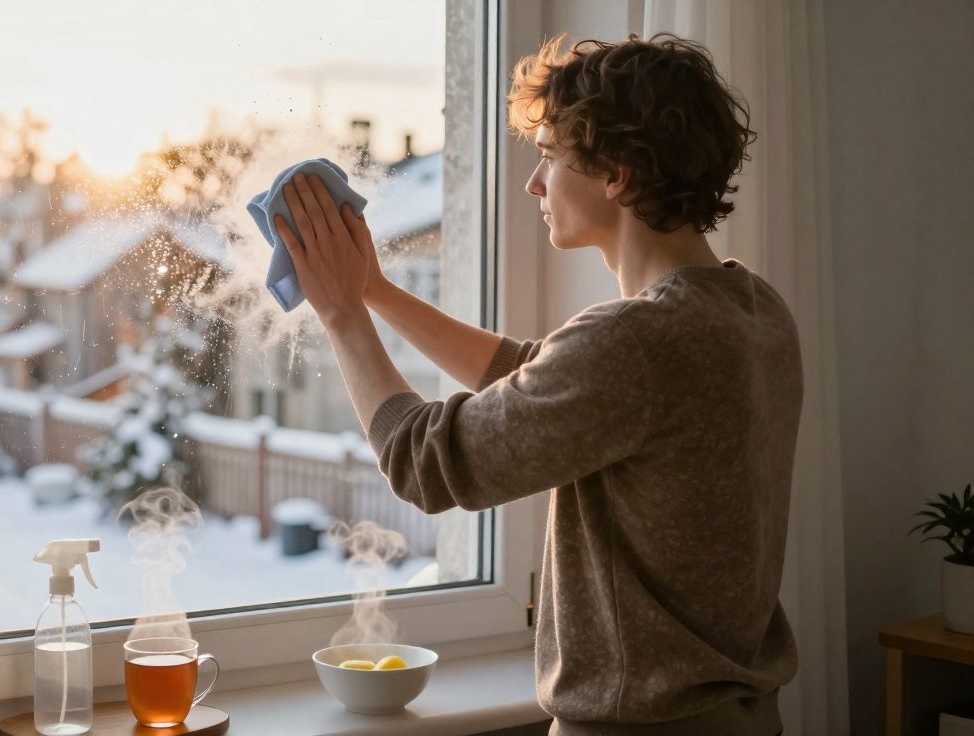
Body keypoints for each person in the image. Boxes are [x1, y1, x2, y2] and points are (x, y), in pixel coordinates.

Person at [272, 33, 800, 736]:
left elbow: (425, 464)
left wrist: (342, 317)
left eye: (549, 156)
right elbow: (540, 378)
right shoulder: (753, 309)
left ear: (617, 172)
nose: (533, 183)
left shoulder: (633, 344)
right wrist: (377, 293)